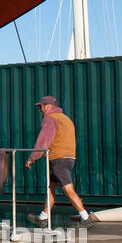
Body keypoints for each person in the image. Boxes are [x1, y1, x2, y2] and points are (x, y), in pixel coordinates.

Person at [25, 95, 94, 227]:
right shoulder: (66, 118)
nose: (40, 110)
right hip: (69, 157)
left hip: (58, 159)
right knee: (51, 187)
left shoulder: (50, 118)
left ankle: (85, 217)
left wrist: (32, 158)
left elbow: (43, 140)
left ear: (48, 106)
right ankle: (42, 217)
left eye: (41, 107)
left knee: (68, 189)